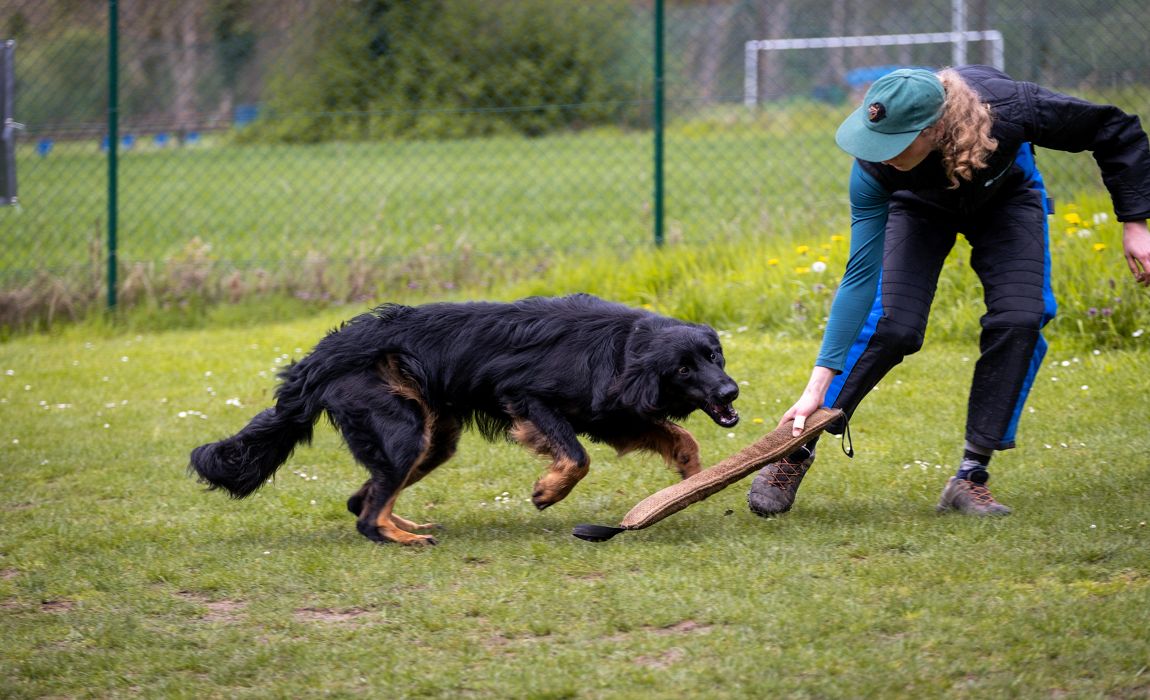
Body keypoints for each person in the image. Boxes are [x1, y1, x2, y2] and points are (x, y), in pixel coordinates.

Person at [747, 65, 1150, 517]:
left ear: (934, 128)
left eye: (894, 145)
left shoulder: (1011, 107)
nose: (880, 155)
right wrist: (815, 385)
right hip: (917, 210)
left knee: (1021, 317)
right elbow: (859, 277)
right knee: (893, 325)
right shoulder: (875, 170)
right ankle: (796, 451)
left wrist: (1134, 221)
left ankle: (970, 476)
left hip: (1007, 198)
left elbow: (1114, 128)